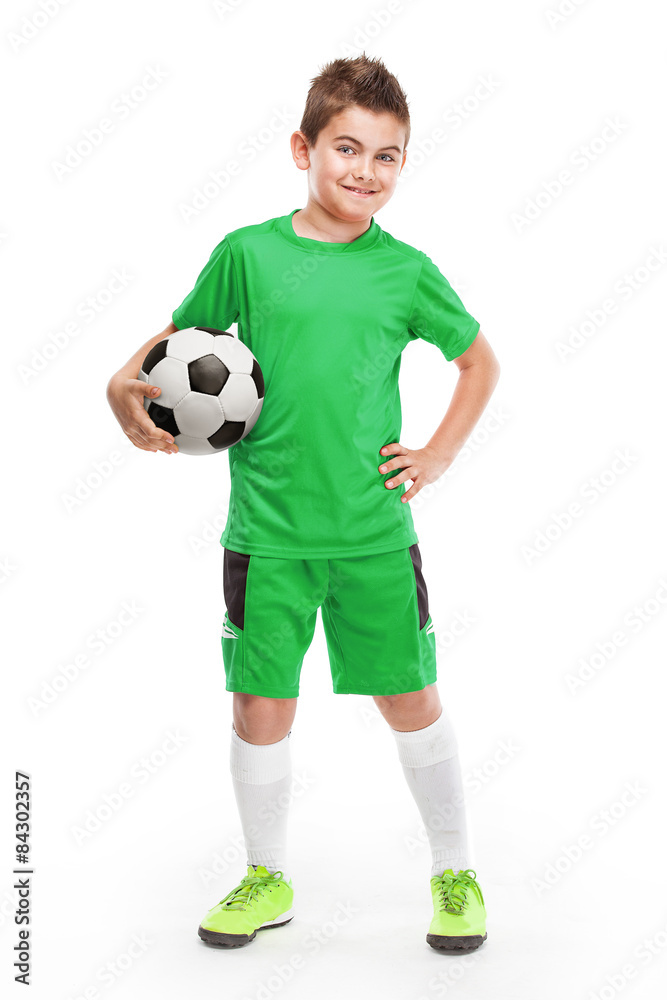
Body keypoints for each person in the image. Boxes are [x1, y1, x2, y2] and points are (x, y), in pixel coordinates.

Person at [106, 52, 500, 953]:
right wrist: (117, 382)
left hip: (370, 533)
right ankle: (265, 875)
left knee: (409, 698)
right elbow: (176, 342)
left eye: (386, 156)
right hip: (267, 535)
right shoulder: (248, 254)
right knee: (258, 707)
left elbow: (479, 360)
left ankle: (454, 867)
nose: (363, 171)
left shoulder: (403, 272)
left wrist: (437, 453)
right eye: (346, 148)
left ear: (403, 165)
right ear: (303, 148)